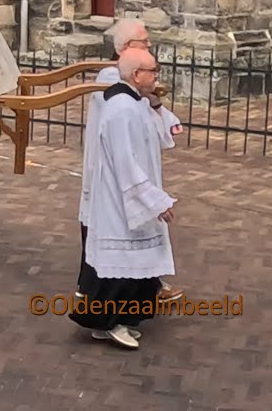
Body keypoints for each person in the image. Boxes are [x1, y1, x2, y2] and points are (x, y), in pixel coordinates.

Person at [71, 48, 176, 350]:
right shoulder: (121, 108)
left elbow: (161, 136)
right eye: (153, 71)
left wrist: (155, 104)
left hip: (128, 196)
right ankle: (111, 323)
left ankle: (114, 322)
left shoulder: (135, 102)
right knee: (120, 266)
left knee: (133, 265)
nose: (157, 76)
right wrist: (154, 201)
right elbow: (125, 163)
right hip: (119, 200)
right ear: (136, 75)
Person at [78, 18, 183, 302]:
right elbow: (124, 139)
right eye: (143, 41)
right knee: (117, 239)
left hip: (136, 169)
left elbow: (158, 128)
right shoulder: (116, 86)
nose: (150, 44)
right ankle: (106, 304)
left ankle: (145, 289)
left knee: (135, 241)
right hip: (116, 175)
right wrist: (150, 197)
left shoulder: (135, 90)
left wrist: (155, 104)